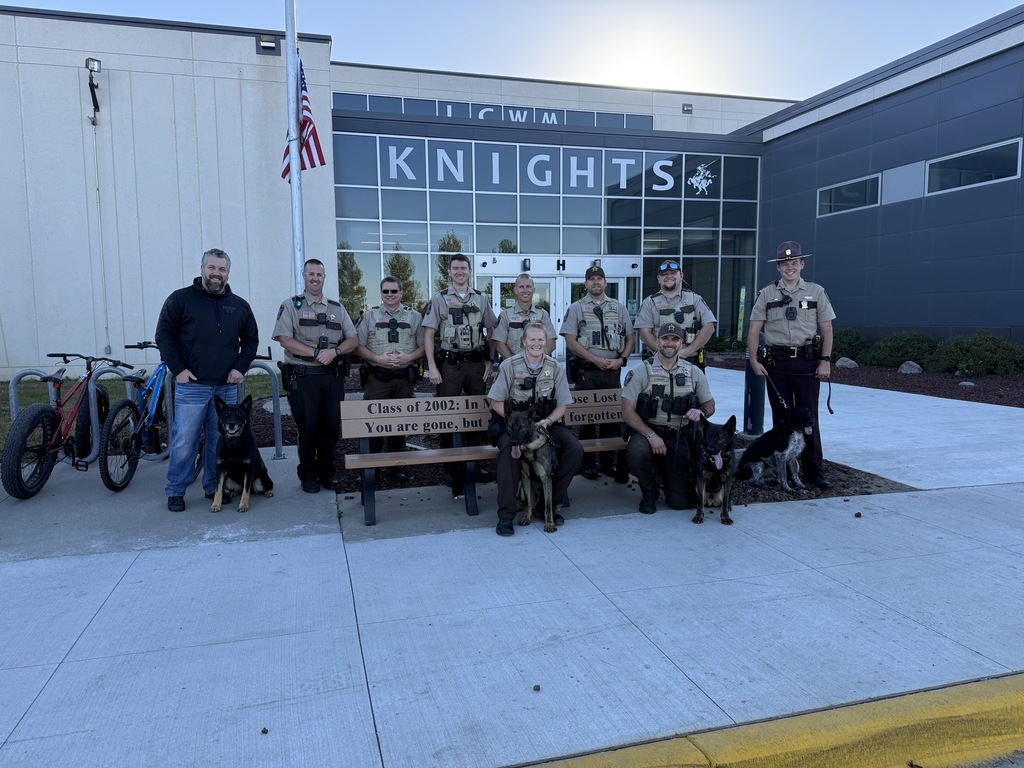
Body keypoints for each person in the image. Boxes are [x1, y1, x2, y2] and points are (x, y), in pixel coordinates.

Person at [155, 247, 259, 512]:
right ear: (202, 269)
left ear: (227, 272)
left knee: (219, 441)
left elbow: (250, 340)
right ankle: (176, 490)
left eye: (221, 269)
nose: (216, 274)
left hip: (226, 388)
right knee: (184, 440)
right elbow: (164, 335)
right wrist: (178, 369)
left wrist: (240, 368)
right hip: (192, 386)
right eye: (212, 268)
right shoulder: (180, 300)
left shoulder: (238, 306)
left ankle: (214, 487)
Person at [747, 240, 836, 490]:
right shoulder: (767, 293)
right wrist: (754, 359)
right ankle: (783, 472)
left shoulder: (816, 292)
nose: (790, 267)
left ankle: (813, 472)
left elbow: (827, 327)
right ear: (778, 267)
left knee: (809, 418)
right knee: (782, 421)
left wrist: (825, 360)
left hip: (808, 363)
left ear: (802, 264)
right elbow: (754, 329)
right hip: (777, 364)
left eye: (794, 262)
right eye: (785, 263)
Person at [487, 323, 583, 536]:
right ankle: (506, 516)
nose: (537, 344)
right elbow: (495, 401)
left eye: (541, 339)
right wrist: (515, 421)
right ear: (523, 341)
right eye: (532, 339)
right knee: (508, 453)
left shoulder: (555, 367)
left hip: (544, 425)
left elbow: (563, 405)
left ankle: (547, 506)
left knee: (574, 449)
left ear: (547, 342)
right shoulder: (510, 366)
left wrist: (548, 421)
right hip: (515, 426)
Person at [272, 258, 357, 493]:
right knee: (308, 427)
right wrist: (317, 353)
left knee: (330, 427)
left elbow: (353, 338)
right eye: (311, 274)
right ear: (303, 275)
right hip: (304, 376)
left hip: (332, 376)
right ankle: (308, 474)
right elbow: (284, 339)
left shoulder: (337, 309)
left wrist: (336, 351)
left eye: (319, 274)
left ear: (324, 277)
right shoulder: (291, 306)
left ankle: (328, 473)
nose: (315, 278)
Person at [423, 253, 499, 498]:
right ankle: (451, 468)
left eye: (463, 268)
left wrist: (490, 359)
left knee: (477, 415)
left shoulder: (481, 298)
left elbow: (492, 328)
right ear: (449, 271)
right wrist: (432, 367)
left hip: (476, 364)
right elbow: (428, 334)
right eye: (455, 268)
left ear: (469, 271)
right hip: (451, 365)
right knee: (448, 415)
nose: (459, 272)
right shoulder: (439, 299)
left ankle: (474, 466)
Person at [621, 322, 716, 514]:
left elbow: (710, 404)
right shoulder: (640, 371)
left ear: (681, 343)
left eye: (675, 339)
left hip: (678, 435)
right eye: (665, 338)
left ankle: (665, 475)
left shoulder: (692, 372)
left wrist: (701, 412)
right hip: (648, 430)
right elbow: (627, 411)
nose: (669, 343)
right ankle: (648, 493)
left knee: (679, 502)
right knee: (637, 451)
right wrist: (650, 435)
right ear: (657, 341)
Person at [559, 265, 635, 483]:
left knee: (612, 417)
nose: (596, 282)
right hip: (588, 372)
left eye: (599, 278)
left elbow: (630, 338)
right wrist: (595, 359)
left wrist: (622, 360)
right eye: (591, 279)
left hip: (613, 371)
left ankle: (608, 463)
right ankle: (589, 464)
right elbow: (571, 341)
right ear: (586, 284)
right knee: (588, 419)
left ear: (605, 282)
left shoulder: (618, 307)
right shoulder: (576, 308)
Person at [354, 276, 426, 482]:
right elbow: (357, 346)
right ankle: (372, 469)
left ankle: (397, 467)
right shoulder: (369, 316)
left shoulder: (414, 317)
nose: (390, 295)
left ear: (401, 293)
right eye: (386, 291)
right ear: (381, 293)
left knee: (400, 424)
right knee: (374, 424)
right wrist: (377, 358)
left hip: (404, 379)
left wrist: (409, 357)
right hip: (378, 378)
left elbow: (423, 345)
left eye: (394, 291)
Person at [634, 258, 717, 369]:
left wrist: (687, 351)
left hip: (690, 362)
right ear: (659, 279)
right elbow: (645, 333)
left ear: (681, 276)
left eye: (673, 273)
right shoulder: (649, 302)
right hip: (659, 362)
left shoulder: (694, 299)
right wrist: (666, 354)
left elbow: (709, 327)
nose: (669, 276)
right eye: (664, 274)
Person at [491, 273, 557, 360]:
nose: (525, 290)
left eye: (528, 286)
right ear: (515, 290)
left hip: (539, 368)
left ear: (533, 289)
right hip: (513, 368)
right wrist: (515, 365)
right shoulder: (506, 315)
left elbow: (551, 343)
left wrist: (537, 361)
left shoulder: (543, 314)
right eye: (521, 287)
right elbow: (499, 345)